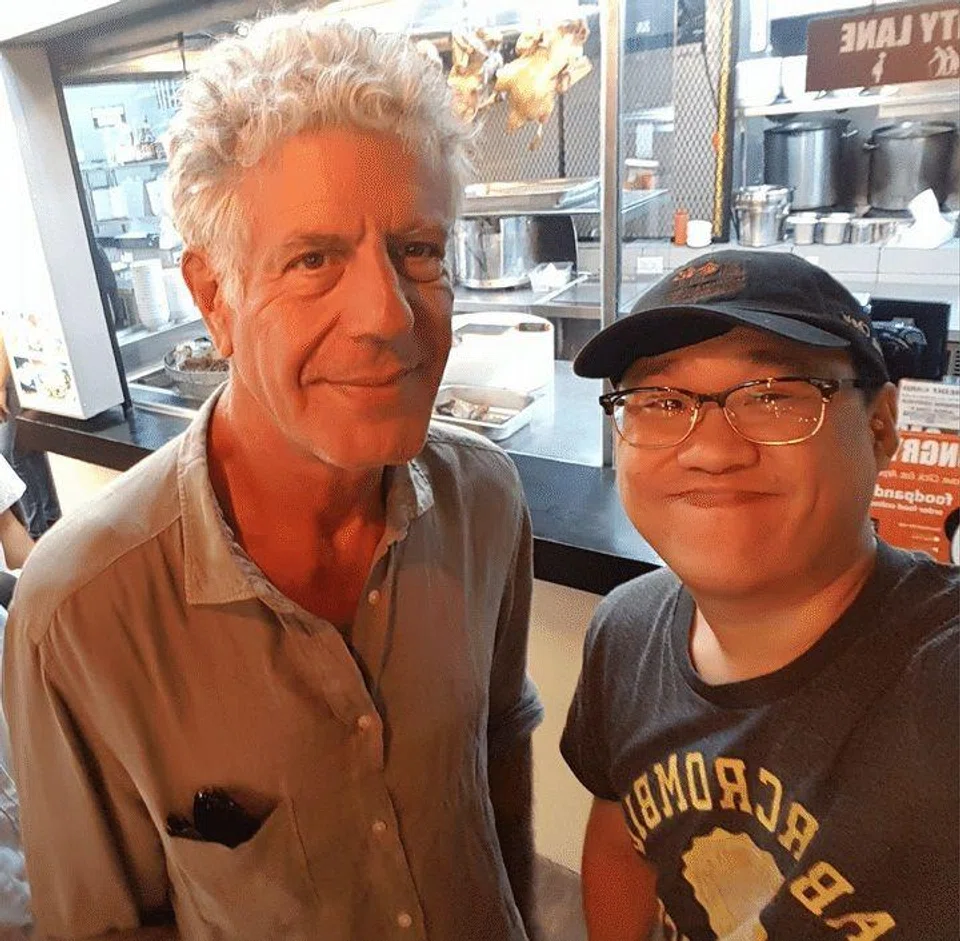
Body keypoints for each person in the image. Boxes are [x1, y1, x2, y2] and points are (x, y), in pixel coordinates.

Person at [3, 14, 543, 941]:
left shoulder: (484, 502)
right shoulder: (80, 615)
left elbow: (498, 760)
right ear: (216, 295)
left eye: (418, 250)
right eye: (313, 260)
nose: (387, 314)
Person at [560, 250, 959, 940]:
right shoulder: (626, 632)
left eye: (772, 393)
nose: (711, 449)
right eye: (661, 400)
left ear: (882, 425)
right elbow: (625, 835)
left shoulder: (937, 681)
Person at [0, 335, 62, 542]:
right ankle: (50, 519)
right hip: (12, 374)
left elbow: (3, 335)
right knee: (26, 449)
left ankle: (37, 530)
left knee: (13, 453)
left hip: (10, 377)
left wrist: (0, 385)